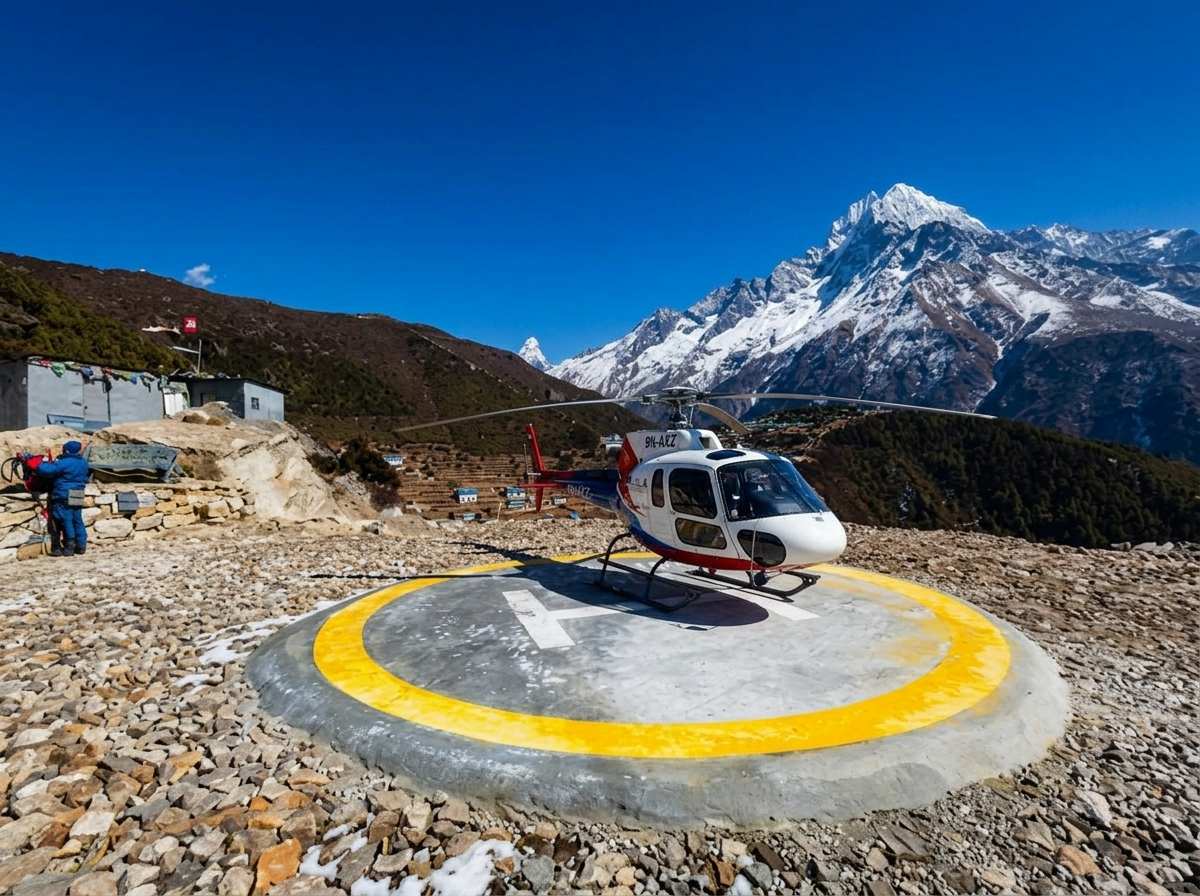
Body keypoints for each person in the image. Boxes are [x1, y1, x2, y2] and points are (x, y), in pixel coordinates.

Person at [35, 440, 90, 556]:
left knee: (67, 520)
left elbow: (45, 470)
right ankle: (81, 546)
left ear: (67, 450)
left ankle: (69, 547)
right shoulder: (83, 462)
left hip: (63, 494)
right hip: (78, 493)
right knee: (77, 520)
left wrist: (37, 463)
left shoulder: (65, 462)